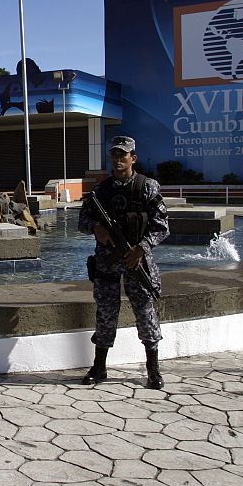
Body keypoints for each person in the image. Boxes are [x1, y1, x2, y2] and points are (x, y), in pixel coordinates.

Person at [77, 135, 170, 390]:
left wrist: (141, 248)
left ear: (133, 158)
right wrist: (97, 228)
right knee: (106, 313)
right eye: (114, 155)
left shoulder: (147, 187)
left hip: (136, 260)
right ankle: (100, 366)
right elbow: (82, 220)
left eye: (123, 155)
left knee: (145, 312)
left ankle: (153, 369)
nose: (118, 160)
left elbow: (162, 227)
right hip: (107, 261)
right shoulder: (101, 191)